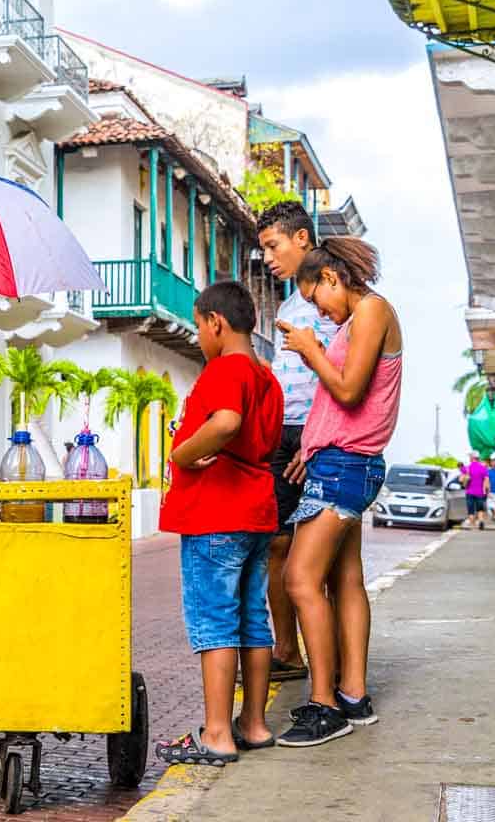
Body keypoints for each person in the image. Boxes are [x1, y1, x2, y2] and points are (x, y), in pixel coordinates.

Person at [276, 237, 402, 747]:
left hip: (346, 466)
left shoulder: (372, 310)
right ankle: (353, 694)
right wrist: (311, 445)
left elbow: (349, 390)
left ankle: (324, 705)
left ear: (332, 278)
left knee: (299, 579)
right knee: (345, 579)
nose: (319, 313)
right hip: (339, 461)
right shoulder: (355, 322)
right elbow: (345, 396)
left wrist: (310, 350)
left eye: (316, 299)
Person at [155, 281, 284, 766]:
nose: (198, 337)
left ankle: (216, 733)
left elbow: (227, 422)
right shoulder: (265, 377)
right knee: (252, 619)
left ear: (216, 323)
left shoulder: (226, 368)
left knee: (215, 623)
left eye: (198, 326)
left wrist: (183, 452)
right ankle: (252, 722)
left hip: (217, 513)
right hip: (255, 511)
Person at [256, 200, 339, 681]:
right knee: (276, 547)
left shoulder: (332, 300)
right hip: (281, 436)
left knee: (320, 563)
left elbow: (339, 375)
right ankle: (287, 652)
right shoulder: (290, 303)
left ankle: (334, 671)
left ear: (302, 239)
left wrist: (317, 440)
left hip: (317, 437)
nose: (268, 257)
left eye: (274, 245)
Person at [461, 452, 489, 530]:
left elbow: (461, 478)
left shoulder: (467, 468)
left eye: (470, 457)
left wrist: (464, 481)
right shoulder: (483, 468)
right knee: (480, 509)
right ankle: (481, 521)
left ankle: (473, 525)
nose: (469, 458)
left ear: (472, 458)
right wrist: (486, 491)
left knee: (471, 510)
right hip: (480, 492)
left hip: (469, 492)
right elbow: (486, 480)